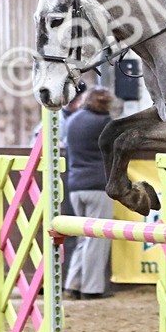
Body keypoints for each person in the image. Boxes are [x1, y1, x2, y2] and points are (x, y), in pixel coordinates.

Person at [63, 87, 116, 299]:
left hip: (76, 185)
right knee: (98, 238)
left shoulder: (72, 120)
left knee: (83, 238)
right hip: (98, 185)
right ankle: (92, 289)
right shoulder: (104, 123)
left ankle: (72, 285)